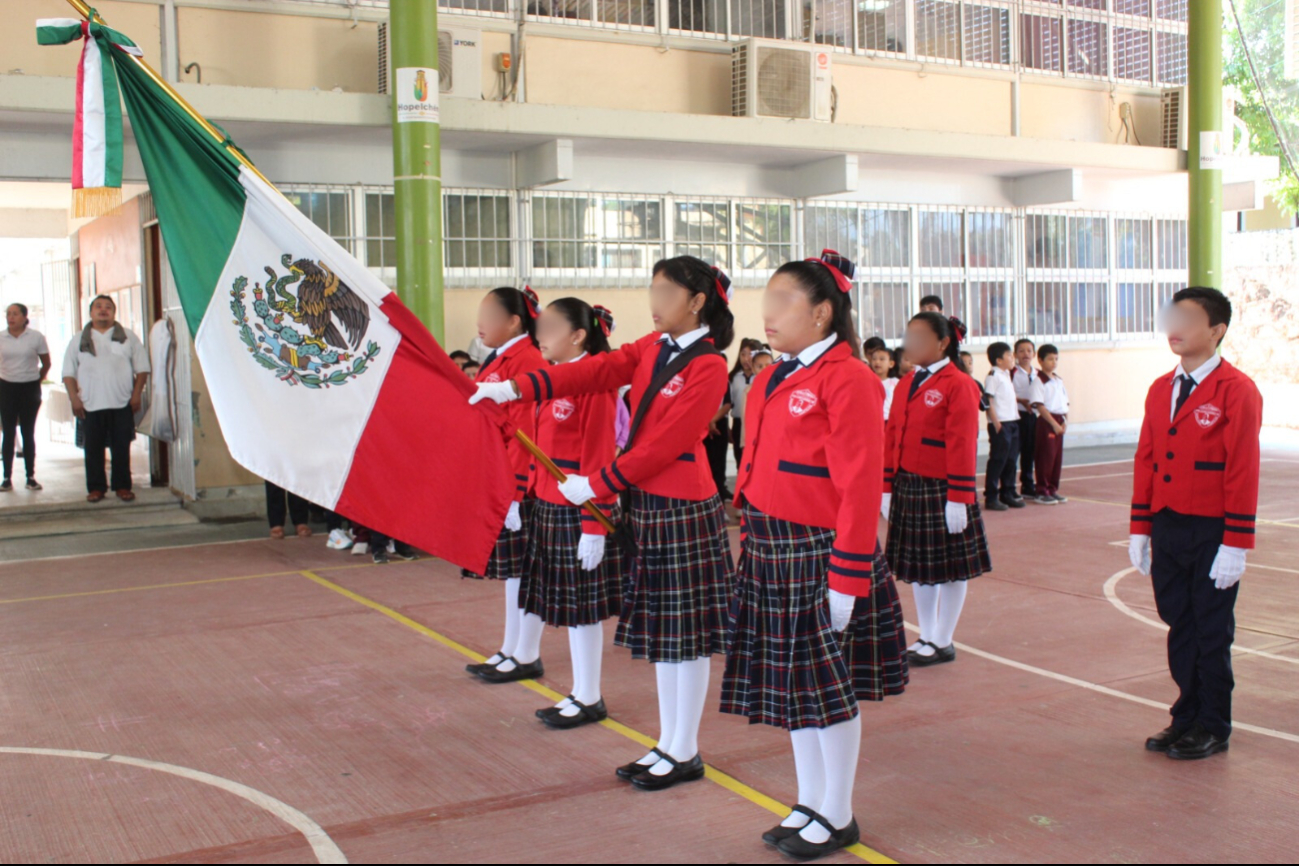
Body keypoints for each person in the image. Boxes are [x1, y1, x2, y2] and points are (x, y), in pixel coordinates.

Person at [472, 254, 736, 791]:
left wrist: (598, 483)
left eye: (664, 291)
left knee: (684, 636)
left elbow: (669, 442)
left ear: (697, 301)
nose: (654, 302)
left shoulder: (707, 365)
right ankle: (670, 743)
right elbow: (591, 370)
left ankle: (684, 747)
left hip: (683, 507)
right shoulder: (652, 348)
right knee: (666, 634)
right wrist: (517, 388)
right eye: (653, 289)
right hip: (648, 504)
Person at [723, 251, 907, 859]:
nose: (769, 313)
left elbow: (859, 482)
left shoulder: (847, 376)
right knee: (795, 688)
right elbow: (755, 463)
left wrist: (848, 574)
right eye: (767, 300)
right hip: (773, 545)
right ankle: (809, 800)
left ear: (822, 312)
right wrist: (751, 531)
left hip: (820, 552)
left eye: (784, 301)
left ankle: (839, 810)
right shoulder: (777, 374)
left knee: (830, 690)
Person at [1129, 287, 1261, 761]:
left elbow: (1243, 467)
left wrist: (1236, 543)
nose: (1175, 328)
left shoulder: (1237, 390)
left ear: (1217, 330)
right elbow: (1146, 458)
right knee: (1178, 623)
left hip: (1212, 530)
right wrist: (1140, 527)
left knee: (1211, 629)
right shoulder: (1160, 388)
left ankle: (1213, 724)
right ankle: (1185, 716)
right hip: (1168, 525)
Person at [521, 299, 624, 727]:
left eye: (549, 328)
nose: (540, 336)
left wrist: (592, 525)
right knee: (566, 606)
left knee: (583, 609)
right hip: (546, 505)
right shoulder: (551, 380)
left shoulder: (594, 384)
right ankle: (581, 692)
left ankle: (588, 695)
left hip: (576, 511)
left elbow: (598, 454)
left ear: (578, 335)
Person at [883, 313, 991, 666]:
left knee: (950, 566)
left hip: (942, 488)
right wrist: (886, 485)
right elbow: (891, 434)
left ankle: (943, 639)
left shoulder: (959, 384)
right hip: (908, 485)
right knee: (920, 567)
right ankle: (927, 634)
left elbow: (962, 442)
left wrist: (959, 497)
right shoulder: (906, 382)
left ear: (943, 342)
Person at [462, 286, 548, 683]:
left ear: (514, 321)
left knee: (524, 572)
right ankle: (511, 648)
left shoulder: (526, 359)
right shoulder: (499, 357)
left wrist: (514, 492)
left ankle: (526, 652)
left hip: (520, 485)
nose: (480, 324)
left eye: (489, 315)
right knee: (514, 573)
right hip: (498, 479)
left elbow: (525, 434)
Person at [61, 295, 149, 502]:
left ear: (114, 312)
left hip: (122, 402)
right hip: (90, 404)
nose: (103, 310)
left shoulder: (127, 337)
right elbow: (68, 373)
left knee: (121, 447)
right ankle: (96, 488)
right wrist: (74, 398)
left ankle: (122, 487)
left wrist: (136, 394)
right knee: (93, 449)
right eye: (98, 307)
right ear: (90, 312)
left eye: (108, 307)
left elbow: (142, 368)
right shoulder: (78, 340)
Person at [0, 303, 51, 491]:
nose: (10, 317)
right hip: (6, 387)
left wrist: (37, 379)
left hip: (30, 388)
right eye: (8, 314)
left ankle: (30, 477)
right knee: (8, 432)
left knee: (28, 432)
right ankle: (6, 478)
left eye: (15, 314)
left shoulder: (36, 337)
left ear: (24, 317)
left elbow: (46, 363)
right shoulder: (1, 337)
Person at [982, 341, 1024, 511]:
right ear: (999, 360)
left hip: (1012, 421)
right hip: (1001, 424)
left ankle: (1008, 492)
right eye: (1009, 355)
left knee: (1011, 460)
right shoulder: (993, 375)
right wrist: (996, 423)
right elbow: (988, 401)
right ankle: (991, 497)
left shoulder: (1006, 374)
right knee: (998, 460)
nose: (1012, 358)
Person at [1029, 344, 1070, 505]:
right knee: (1046, 457)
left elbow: (1065, 403)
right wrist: (1053, 424)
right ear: (1040, 360)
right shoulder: (1039, 382)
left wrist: (1065, 422)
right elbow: (1040, 406)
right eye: (1050, 359)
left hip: (1060, 420)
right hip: (1047, 422)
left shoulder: (1058, 380)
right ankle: (1042, 490)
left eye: (1056, 359)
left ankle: (1052, 489)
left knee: (1056, 458)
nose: (1054, 362)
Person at [729, 338, 761, 473]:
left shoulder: (761, 377)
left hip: (756, 424)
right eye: (743, 354)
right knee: (740, 460)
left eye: (750, 354)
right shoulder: (732, 378)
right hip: (738, 424)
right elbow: (727, 403)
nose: (746, 358)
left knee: (756, 461)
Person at [1011, 338, 1038, 498]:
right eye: (1021, 350)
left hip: (1032, 416)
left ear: (1034, 354)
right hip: (1017, 416)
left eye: (1029, 350)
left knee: (1030, 452)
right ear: (1015, 354)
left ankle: (1028, 485)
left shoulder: (1038, 374)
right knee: (1014, 453)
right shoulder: (1011, 372)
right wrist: (1021, 401)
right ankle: (1010, 488)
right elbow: (1005, 394)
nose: (1025, 354)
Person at [866, 343, 898, 421]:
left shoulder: (895, 382)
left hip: (888, 420)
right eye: (874, 359)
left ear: (891, 364)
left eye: (882, 359)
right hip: (872, 420)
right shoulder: (867, 382)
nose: (877, 362)